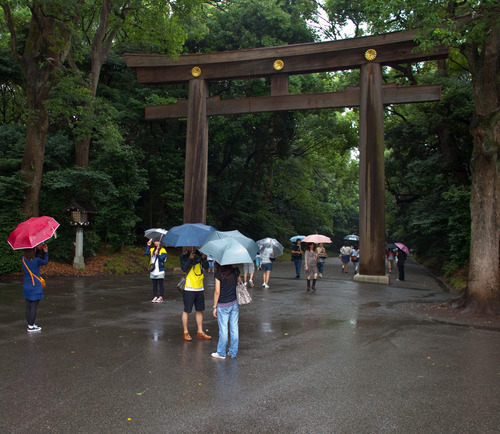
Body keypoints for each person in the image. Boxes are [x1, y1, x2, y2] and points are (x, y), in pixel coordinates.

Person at [180, 249, 212, 341]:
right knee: (187, 310)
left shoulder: (200, 254)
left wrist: (204, 258)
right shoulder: (184, 256)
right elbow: (184, 268)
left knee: (199, 310)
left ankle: (200, 331)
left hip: (200, 286)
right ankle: (185, 332)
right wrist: (190, 259)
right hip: (189, 287)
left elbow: (206, 267)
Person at [211, 264, 242, 359]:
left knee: (223, 329)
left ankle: (221, 352)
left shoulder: (218, 273)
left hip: (222, 305)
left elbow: (217, 291)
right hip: (234, 303)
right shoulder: (235, 271)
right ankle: (233, 352)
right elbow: (240, 282)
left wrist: (214, 307)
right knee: (234, 328)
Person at [22, 243, 48, 332]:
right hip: (35, 287)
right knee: (33, 307)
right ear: (33, 251)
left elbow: (33, 257)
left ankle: (30, 324)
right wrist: (45, 252)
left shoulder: (24, 260)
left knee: (28, 306)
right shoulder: (36, 261)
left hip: (27, 287)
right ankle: (31, 326)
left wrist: (39, 249)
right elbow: (45, 261)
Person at [145, 238, 167, 303]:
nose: (156, 242)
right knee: (154, 284)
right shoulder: (152, 249)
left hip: (160, 270)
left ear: (160, 242)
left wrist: (157, 254)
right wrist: (148, 245)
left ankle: (161, 297)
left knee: (160, 284)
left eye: (157, 241)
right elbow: (146, 253)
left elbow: (162, 259)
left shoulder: (163, 250)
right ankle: (155, 296)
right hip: (153, 269)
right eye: (155, 241)